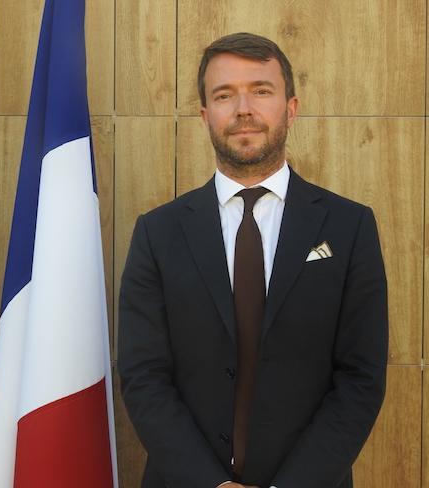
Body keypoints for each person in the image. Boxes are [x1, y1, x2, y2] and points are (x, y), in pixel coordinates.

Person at [118, 32, 388, 488]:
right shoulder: (157, 232)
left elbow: (360, 377)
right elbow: (143, 376)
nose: (244, 109)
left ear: (291, 107)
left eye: (261, 91)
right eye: (225, 95)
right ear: (206, 115)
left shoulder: (350, 226)